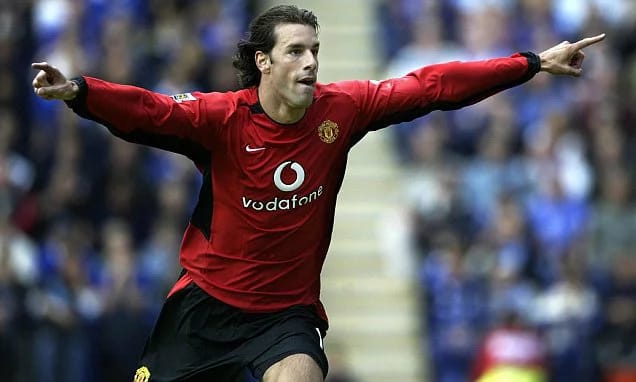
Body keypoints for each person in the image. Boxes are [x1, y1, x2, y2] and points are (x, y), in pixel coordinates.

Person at [30, 4, 605, 382]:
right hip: (203, 309)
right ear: (264, 62)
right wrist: (81, 90)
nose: (310, 62)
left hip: (284, 314)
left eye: (314, 50)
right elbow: (148, 110)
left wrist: (530, 63)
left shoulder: (342, 109)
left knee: (302, 375)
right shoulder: (221, 119)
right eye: (295, 52)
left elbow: (432, 86)